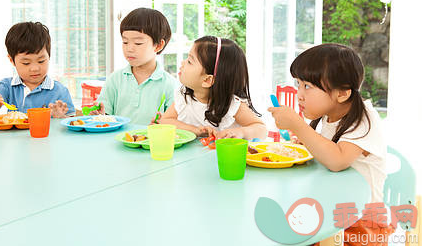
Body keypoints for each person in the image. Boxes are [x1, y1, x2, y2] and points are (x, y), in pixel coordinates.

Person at [268, 43, 392, 245]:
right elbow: (328, 149)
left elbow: (338, 160)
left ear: (342, 93)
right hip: (330, 208)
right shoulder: (329, 114)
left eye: (307, 86)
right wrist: (306, 140)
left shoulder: (364, 118)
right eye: (298, 83)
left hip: (361, 223)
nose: (299, 94)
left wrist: (299, 127)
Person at [158, 36, 266, 140]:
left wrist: (241, 132)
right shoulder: (183, 96)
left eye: (190, 62)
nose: (182, 63)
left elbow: (261, 129)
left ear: (207, 80)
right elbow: (165, 121)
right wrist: (195, 130)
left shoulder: (232, 105)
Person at [94, 8, 178, 125]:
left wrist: (163, 124)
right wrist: (100, 115)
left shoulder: (170, 85)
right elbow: (105, 115)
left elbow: (173, 123)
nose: (129, 48)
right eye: (125, 42)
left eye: (138, 43)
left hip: (152, 142)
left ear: (158, 45)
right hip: (117, 141)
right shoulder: (115, 79)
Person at [0, 21, 75, 118]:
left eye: (41, 61)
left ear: (49, 56)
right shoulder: (8, 86)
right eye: (26, 63)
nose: (35, 69)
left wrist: (60, 117)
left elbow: (72, 121)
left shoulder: (60, 91)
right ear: (12, 60)